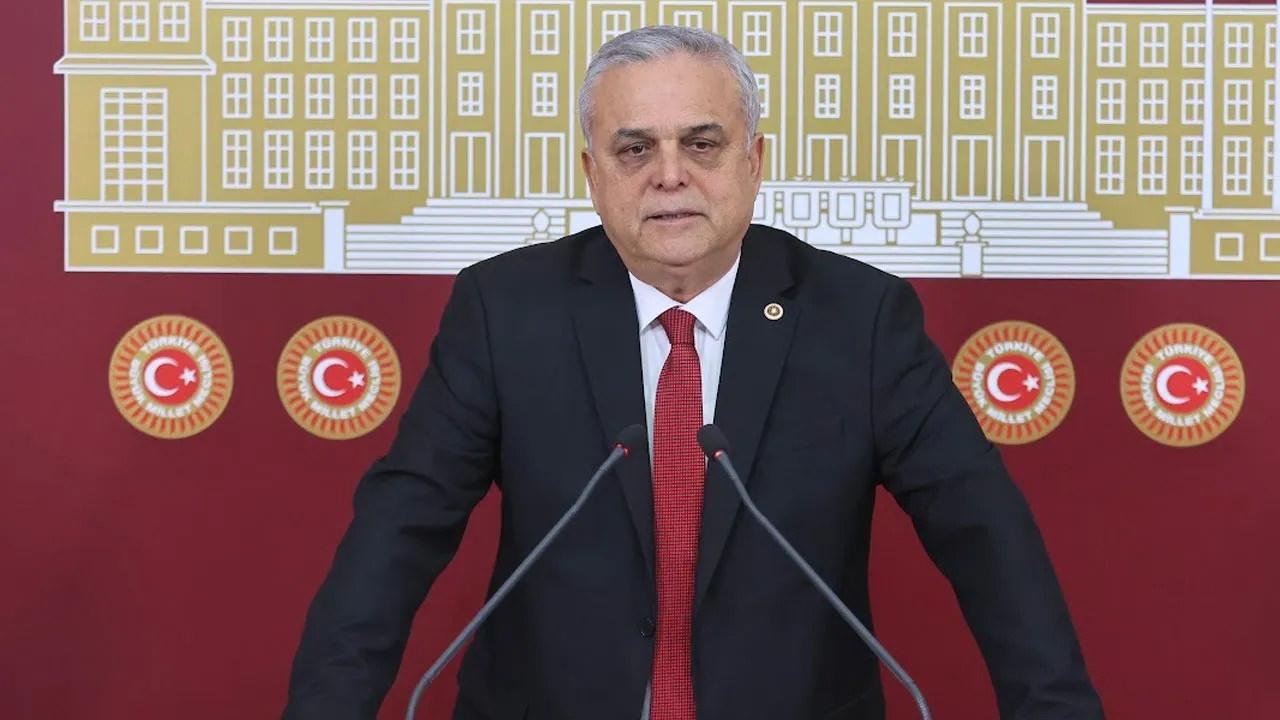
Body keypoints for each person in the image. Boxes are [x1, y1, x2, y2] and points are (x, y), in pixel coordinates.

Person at [284, 26, 1105, 720]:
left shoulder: (860, 320)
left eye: (701, 144)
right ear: (592, 174)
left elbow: (984, 533)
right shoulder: (505, 311)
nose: (669, 174)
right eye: (634, 148)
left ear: (754, 160)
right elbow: (399, 529)